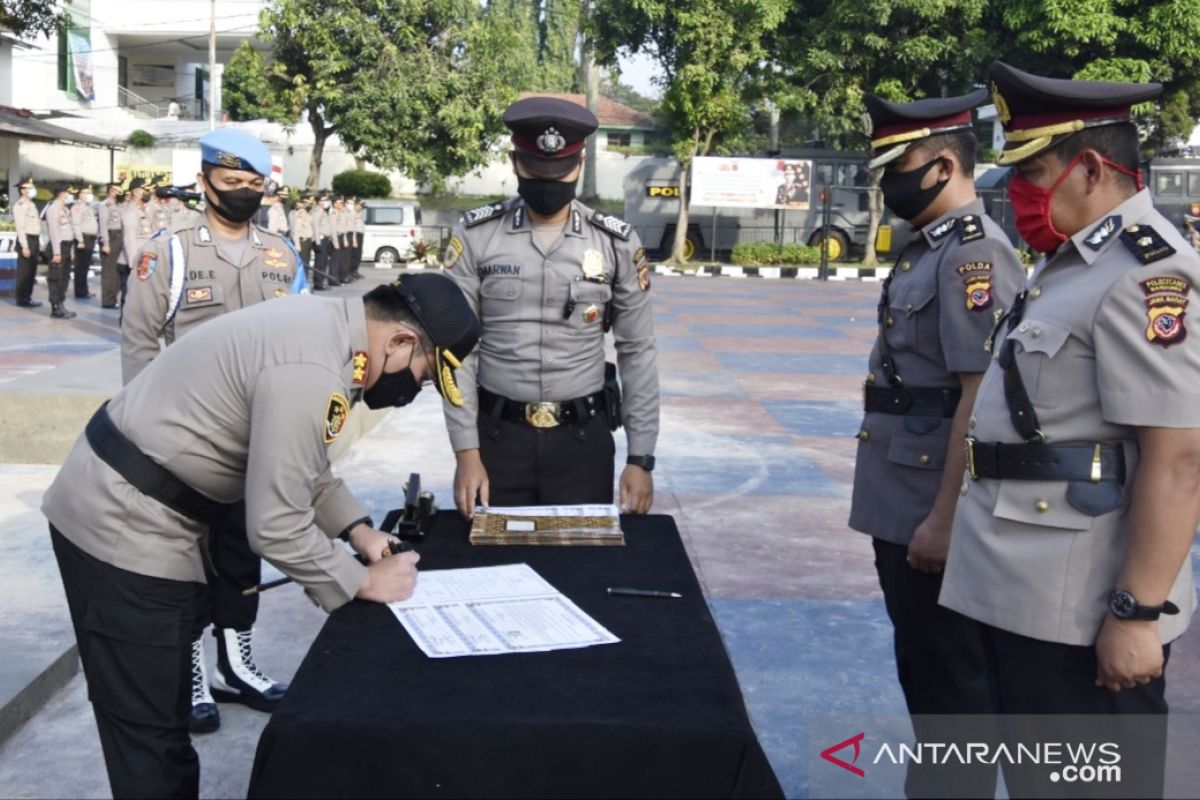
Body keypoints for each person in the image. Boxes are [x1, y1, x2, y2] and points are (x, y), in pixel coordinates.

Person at [45, 273, 480, 799]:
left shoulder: (331, 335)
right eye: (424, 375)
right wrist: (361, 581)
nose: (415, 388)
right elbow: (275, 523)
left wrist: (360, 532)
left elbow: (303, 466)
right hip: (120, 522)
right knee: (149, 732)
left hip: (157, 512)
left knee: (163, 713)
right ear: (401, 342)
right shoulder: (312, 367)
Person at [940, 61, 1200, 798]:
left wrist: (1137, 615)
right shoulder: (1071, 264)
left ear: (1089, 167)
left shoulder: (1146, 276)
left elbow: (1179, 460)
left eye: (1034, 172)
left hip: (1084, 609)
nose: (1017, 193)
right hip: (1027, 590)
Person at [849, 89, 1026, 799]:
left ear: (943, 165)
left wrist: (946, 518)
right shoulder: (931, 249)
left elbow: (979, 397)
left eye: (899, 165)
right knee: (930, 686)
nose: (886, 182)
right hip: (904, 493)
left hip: (932, 502)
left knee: (954, 696)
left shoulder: (973, 256)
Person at [121, 127, 311, 735]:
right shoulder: (169, 250)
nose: (245, 194)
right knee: (188, 562)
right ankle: (194, 671)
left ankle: (238, 661)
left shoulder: (282, 255)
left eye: (255, 185)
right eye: (233, 184)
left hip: (259, 438)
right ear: (204, 183)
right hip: (186, 443)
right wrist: (147, 437)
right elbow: (138, 343)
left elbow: (304, 340)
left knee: (242, 553)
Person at [442, 96, 659, 517]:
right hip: (496, 444)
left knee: (581, 575)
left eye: (560, 172)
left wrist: (641, 458)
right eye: (536, 170)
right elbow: (456, 353)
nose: (548, 181)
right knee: (495, 576)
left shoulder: (615, 243)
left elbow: (637, 352)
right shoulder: (476, 235)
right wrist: (466, 453)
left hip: (583, 443)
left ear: (579, 165)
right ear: (514, 162)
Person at [43, 187, 78, 320]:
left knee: (64, 278)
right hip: (58, 247)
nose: (70, 196)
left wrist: (72, 249)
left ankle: (61, 304)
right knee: (56, 278)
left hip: (67, 247)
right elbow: (54, 231)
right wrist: (57, 252)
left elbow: (70, 230)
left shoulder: (65, 209)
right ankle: (56, 308)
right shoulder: (53, 209)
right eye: (68, 193)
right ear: (62, 194)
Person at [120, 179, 154, 303]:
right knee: (130, 298)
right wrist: (133, 263)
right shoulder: (130, 211)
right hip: (134, 261)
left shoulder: (142, 210)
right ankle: (126, 322)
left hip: (143, 260)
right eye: (144, 190)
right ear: (135, 192)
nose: (147, 193)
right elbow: (129, 239)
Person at [12, 177, 42, 309]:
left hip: (34, 239)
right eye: (29, 188)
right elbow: (20, 227)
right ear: (23, 190)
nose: (32, 190)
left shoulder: (31, 204)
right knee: (24, 271)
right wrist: (24, 246)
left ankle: (28, 297)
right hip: (27, 239)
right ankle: (22, 298)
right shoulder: (20, 205)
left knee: (31, 271)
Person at [70, 186, 99, 300]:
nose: (89, 195)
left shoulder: (88, 207)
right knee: (80, 266)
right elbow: (76, 224)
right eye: (86, 193)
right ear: (80, 195)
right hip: (83, 239)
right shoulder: (77, 207)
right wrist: (80, 240)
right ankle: (80, 291)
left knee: (86, 266)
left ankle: (84, 290)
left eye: (89, 193)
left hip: (90, 238)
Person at [99, 183, 124, 309]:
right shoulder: (105, 205)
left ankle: (113, 297)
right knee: (109, 271)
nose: (119, 193)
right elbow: (103, 225)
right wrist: (106, 243)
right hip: (111, 236)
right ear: (110, 191)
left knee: (118, 270)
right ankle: (108, 300)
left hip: (120, 236)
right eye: (116, 190)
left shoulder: (119, 205)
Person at [290, 194, 317, 288]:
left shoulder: (307, 213)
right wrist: (297, 244)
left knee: (306, 263)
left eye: (311, 203)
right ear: (303, 202)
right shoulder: (300, 214)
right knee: (302, 264)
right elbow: (296, 231)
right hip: (302, 242)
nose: (310, 204)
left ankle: (304, 284)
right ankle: (301, 285)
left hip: (308, 241)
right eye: (308, 202)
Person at [313, 191, 337, 287]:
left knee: (324, 263)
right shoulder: (317, 212)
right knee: (320, 263)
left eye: (327, 200)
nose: (326, 202)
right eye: (324, 200)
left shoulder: (325, 212)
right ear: (318, 201)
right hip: (321, 240)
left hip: (327, 239)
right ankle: (318, 283)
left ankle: (321, 282)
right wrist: (317, 242)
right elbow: (316, 227)